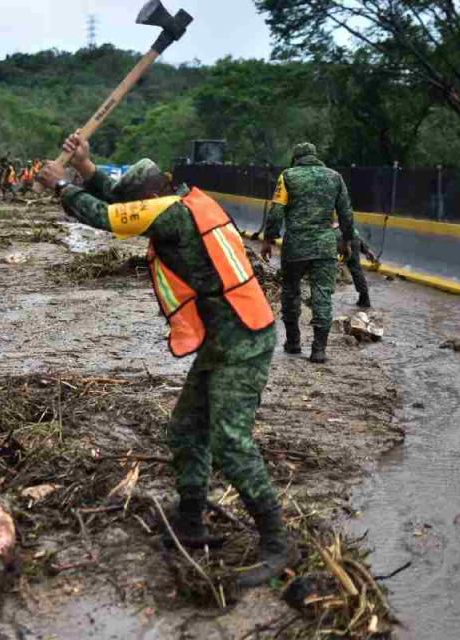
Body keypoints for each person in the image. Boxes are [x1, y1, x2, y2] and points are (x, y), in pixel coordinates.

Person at [37, 132, 294, 588]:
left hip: (244, 340)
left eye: (139, 204)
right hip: (224, 336)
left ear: (152, 197)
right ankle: (192, 521)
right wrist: (87, 166)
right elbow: (120, 201)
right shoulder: (183, 199)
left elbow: (110, 216)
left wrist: (63, 185)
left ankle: (277, 540)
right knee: (185, 430)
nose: (138, 211)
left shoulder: (175, 218)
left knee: (230, 442)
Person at [262, 143, 356, 364]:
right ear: (316, 156)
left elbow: (276, 212)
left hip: (295, 246)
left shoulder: (287, 176)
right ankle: (319, 350)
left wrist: (268, 240)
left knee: (290, 292)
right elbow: (346, 213)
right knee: (322, 294)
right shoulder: (335, 177)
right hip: (325, 246)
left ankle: (293, 342)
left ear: (295, 159)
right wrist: (346, 240)